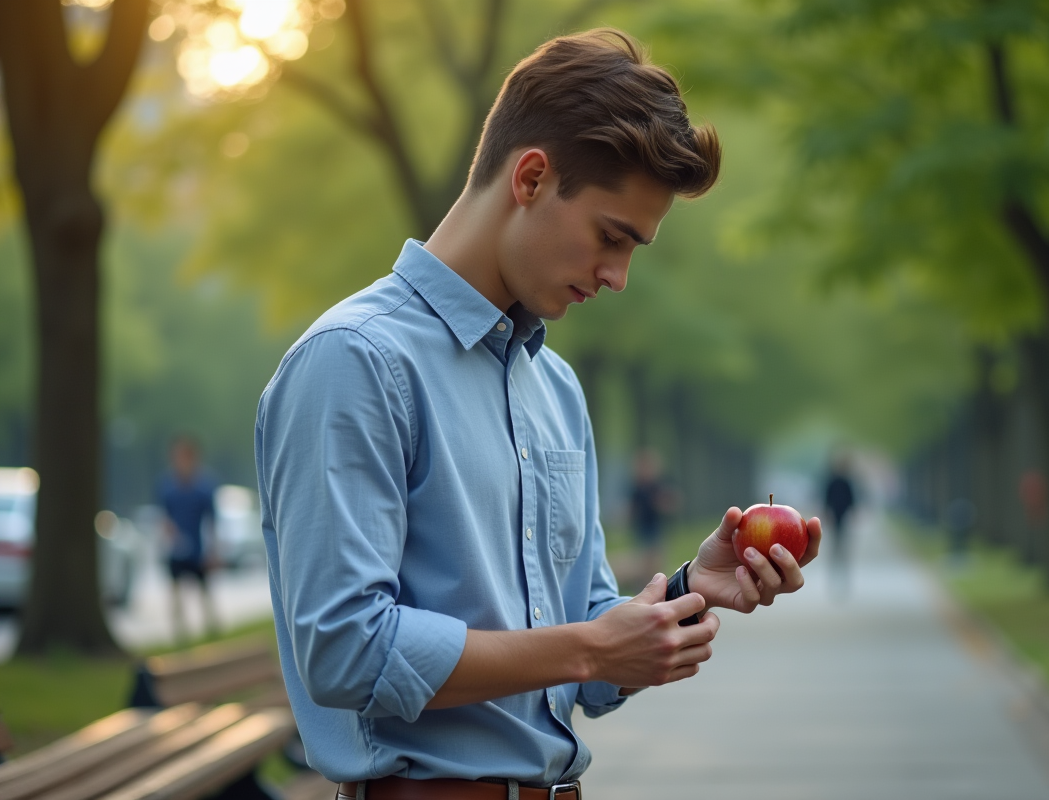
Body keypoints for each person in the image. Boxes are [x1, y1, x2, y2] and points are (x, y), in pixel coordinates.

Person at [256, 29, 823, 799]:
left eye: (635, 250)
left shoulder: (553, 386)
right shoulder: (354, 362)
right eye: (610, 237)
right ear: (530, 178)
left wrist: (691, 592)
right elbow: (346, 651)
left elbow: (582, 644)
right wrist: (588, 649)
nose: (619, 277)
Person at [157, 435, 219, 642]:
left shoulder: (204, 486)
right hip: (176, 548)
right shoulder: (167, 486)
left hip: (198, 548)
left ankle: (211, 628)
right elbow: (163, 516)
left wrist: (212, 549)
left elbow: (212, 520)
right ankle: (179, 632)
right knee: (175, 592)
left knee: (204, 591)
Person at [628, 448, 674, 586]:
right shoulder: (637, 488)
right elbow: (632, 507)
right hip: (642, 527)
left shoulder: (657, 486)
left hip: (655, 527)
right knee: (643, 558)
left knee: (656, 557)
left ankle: (658, 584)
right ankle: (644, 585)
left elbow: (669, 501)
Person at [823, 452, 856, 597]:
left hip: (841, 518)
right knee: (837, 550)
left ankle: (841, 580)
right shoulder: (836, 481)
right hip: (837, 518)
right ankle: (836, 580)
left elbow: (851, 501)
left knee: (840, 550)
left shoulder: (842, 481)